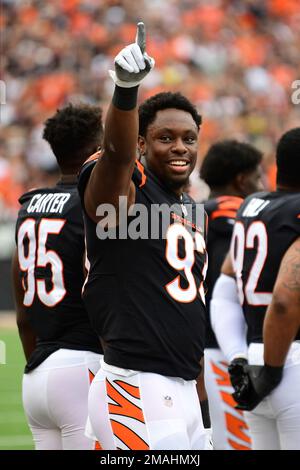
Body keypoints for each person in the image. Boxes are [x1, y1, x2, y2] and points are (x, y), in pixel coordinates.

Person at [78, 23, 208, 450]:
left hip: (182, 389)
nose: (180, 147)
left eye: (189, 139)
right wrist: (125, 90)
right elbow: (114, 159)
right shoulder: (128, 185)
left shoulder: (191, 208)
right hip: (137, 383)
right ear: (140, 143)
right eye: (165, 137)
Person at [12, 103, 104, 450]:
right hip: (84, 366)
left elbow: (23, 315)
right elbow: (100, 292)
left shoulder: (29, 206)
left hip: (37, 374)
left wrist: (40, 364)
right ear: (98, 147)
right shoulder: (89, 205)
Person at [210, 128, 300, 449]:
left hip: (254, 357)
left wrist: (237, 356)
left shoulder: (251, 205)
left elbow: (223, 290)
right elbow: (284, 302)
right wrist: (273, 371)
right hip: (288, 359)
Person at [200, 140, 263, 450]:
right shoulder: (235, 212)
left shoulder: (189, 210)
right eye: (258, 178)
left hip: (190, 349)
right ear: (241, 179)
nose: (262, 186)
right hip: (227, 348)